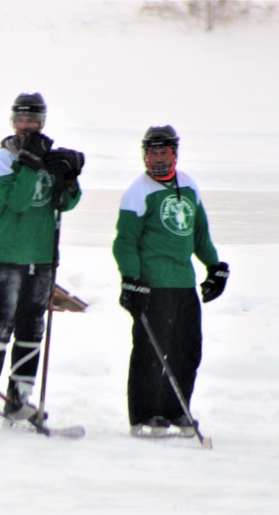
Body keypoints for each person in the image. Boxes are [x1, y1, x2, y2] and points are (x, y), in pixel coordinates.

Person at [0, 92, 84, 430]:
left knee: (33, 327)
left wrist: (70, 178)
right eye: (21, 119)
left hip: (42, 256)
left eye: (33, 120)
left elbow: (64, 205)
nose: (26, 125)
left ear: (42, 122)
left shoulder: (49, 155)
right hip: (8, 256)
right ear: (12, 122)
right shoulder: (2, 159)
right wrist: (31, 164)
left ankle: (20, 397)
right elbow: (17, 202)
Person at [112, 125, 229, 437]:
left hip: (183, 284)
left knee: (187, 350)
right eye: (153, 152)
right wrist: (131, 280)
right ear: (144, 155)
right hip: (153, 285)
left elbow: (199, 234)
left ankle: (176, 410)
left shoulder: (189, 186)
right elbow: (124, 243)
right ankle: (145, 415)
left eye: (164, 151)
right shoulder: (138, 191)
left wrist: (214, 267)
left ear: (174, 153)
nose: (158, 158)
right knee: (150, 353)